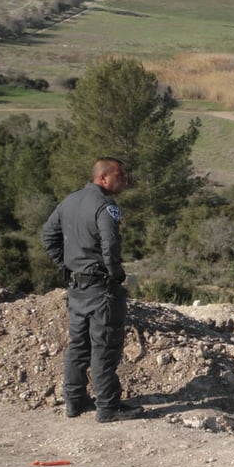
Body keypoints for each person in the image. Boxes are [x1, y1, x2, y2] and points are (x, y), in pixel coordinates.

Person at [41, 157, 145, 423]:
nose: (124, 180)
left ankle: (74, 402)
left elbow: (48, 235)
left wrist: (65, 266)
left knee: (78, 346)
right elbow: (110, 244)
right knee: (105, 346)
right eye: (120, 176)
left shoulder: (70, 200)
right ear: (103, 178)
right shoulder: (105, 205)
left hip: (76, 287)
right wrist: (114, 275)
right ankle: (108, 407)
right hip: (101, 289)